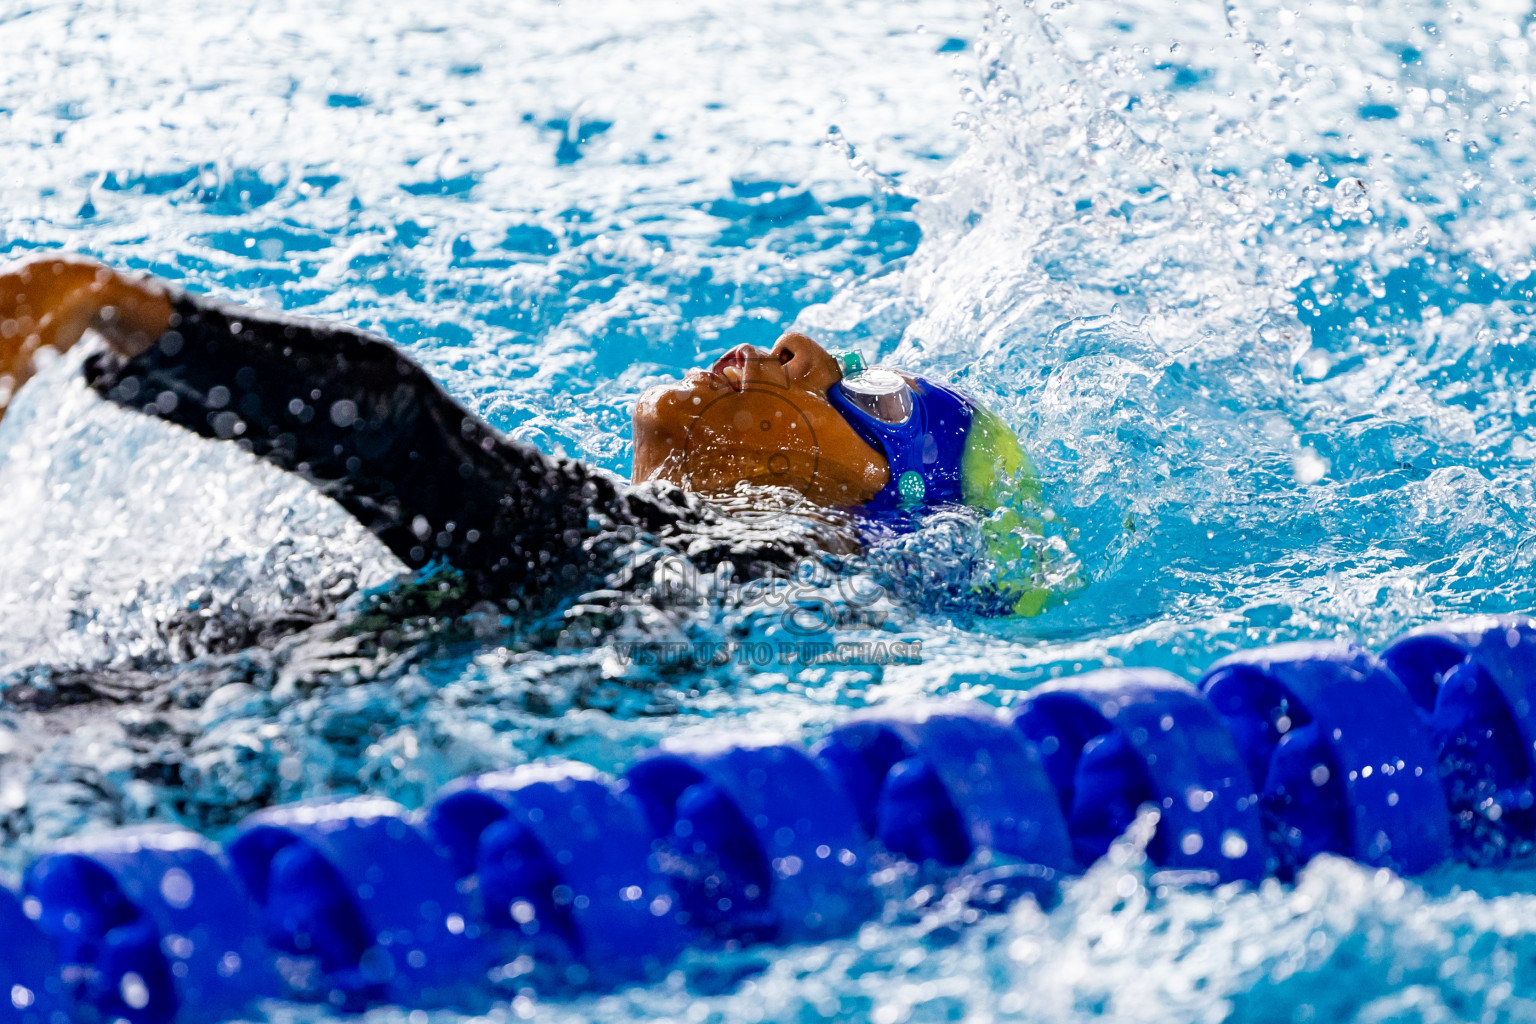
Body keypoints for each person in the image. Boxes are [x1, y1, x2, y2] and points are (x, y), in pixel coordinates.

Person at [0, 255, 1053, 616]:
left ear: (873, 497)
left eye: (863, 395)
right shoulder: (677, 555)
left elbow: (406, 438)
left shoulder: (741, 569)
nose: (800, 346)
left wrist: (105, 309)